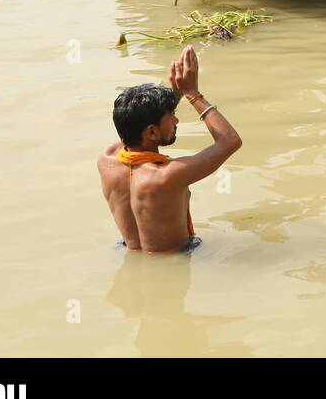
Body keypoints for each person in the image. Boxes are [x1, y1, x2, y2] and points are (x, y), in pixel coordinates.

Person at [99, 46, 241, 254]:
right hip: (175, 260)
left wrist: (175, 94)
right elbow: (230, 141)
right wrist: (193, 95)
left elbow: (133, 125)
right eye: (170, 116)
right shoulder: (167, 175)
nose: (176, 120)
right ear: (152, 132)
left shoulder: (106, 159)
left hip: (130, 251)